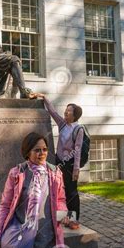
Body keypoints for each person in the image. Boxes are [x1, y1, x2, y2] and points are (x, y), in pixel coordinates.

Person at [0, 132, 69, 248]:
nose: (42, 153)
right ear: (27, 152)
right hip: (24, 237)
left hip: (49, 238)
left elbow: (60, 199)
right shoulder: (17, 173)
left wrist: (62, 213)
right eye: (37, 150)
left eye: (44, 149)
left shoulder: (55, 173)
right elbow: (5, 206)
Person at [35, 93, 84, 229]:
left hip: (70, 165)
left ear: (75, 115)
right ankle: (63, 219)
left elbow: (78, 150)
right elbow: (52, 111)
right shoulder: (62, 124)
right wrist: (44, 97)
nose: (65, 112)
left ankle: (74, 220)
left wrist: (76, 169)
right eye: (66, 110)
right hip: (59, 163)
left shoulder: (78, 129)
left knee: (71, 193)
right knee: (60, 191)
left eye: (68, 111)